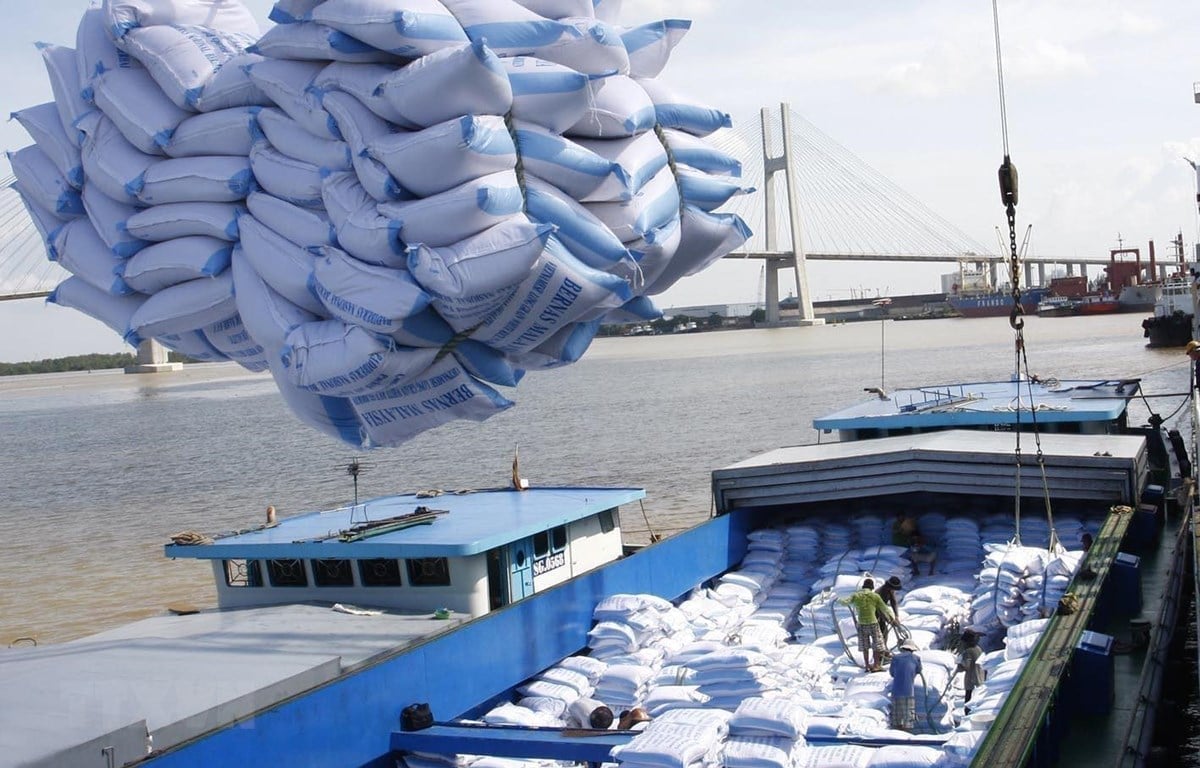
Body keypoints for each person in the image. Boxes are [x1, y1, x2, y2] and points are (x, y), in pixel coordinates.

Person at [841, 577, 896, 672]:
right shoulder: (875, 596)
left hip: (861, 624)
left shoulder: (856, 595)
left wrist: (838, 599)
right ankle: (876, 665)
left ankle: (867, 665)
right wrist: (892, 618)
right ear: (872, 587)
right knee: (877, 645)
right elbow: (885, 608)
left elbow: (845, 602)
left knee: (865, 645)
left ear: (863, 586)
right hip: (873, 623)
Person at [889, 639, 923, 732]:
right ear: (912, 650)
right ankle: (907, 738)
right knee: (908, 720)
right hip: (908, 692)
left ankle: (897, 739)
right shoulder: (916, 658)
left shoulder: (895, 658)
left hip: (896, 692)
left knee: (897, 721)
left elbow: (892, 673)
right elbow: (919, 670)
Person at [955, 629, 985, 704]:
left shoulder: (968, 652)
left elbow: (966, 666)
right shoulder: (978, 649)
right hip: (980, 679)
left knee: (968, 703)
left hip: (971, 682)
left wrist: (959, 666)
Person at [876, 576, 903, 643]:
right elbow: (879, 609)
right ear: (889, 586)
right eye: (893, 589)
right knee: (882, 632)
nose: (894, 591)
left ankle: (884, 649)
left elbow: (893, 602)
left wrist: (896, 616)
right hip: (874, 612)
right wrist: (889, 620)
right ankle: (881, 651)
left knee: (884, 632)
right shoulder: (880, 592)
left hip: (882, 610)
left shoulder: (890, 591)